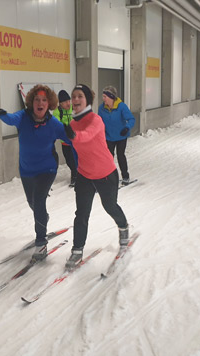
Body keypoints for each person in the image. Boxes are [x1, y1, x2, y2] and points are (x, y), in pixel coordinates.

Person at [0, 85, 71, 262]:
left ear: (49, 103)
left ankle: (41, 242)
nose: (40, 103)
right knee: (33, 203)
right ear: (32, 102)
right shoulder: (23, 117)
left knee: (39, 201)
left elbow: (70, 138)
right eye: (37, 99)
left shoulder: (53, 123)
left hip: (47, 168)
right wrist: (3, 115)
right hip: (27, 169)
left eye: (44, 100)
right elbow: (12, 119)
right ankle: (42, 216)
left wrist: (72, 134)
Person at [63, 84, 129, 269]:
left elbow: (86, 136)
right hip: (84, 175)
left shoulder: (96, 120)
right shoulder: (73, 124)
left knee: (110, 206)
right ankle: (77, 251)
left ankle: (123, 227)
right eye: (73, 96)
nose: (75, 100)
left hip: (105, 174)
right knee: (81, 214)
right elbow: (69, 134)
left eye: (80, 96)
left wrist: (73, 135)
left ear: (87, 101)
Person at [98, 86, 135, 185]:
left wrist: (127, 127)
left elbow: (131, 119)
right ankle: (109, 177)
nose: (103, 98)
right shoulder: (101, 108)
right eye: (103, 96)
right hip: (109, 137)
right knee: (108, 158)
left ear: (111, 97)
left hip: (121, 136)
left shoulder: (121, 106)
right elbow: (99, 122)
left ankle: (125, 176)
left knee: (120, 155)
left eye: (105, 96)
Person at [52, 90, 78, 187]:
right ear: (60, 103)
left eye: (69, 101)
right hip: (65, 141)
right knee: (69, 161)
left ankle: (75, 177)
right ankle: (75, 173)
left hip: (76, 140)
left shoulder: (74, 108)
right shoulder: (57, 112)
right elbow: (56, 125)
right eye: (65, 102)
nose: (68, 103)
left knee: (76, 159)